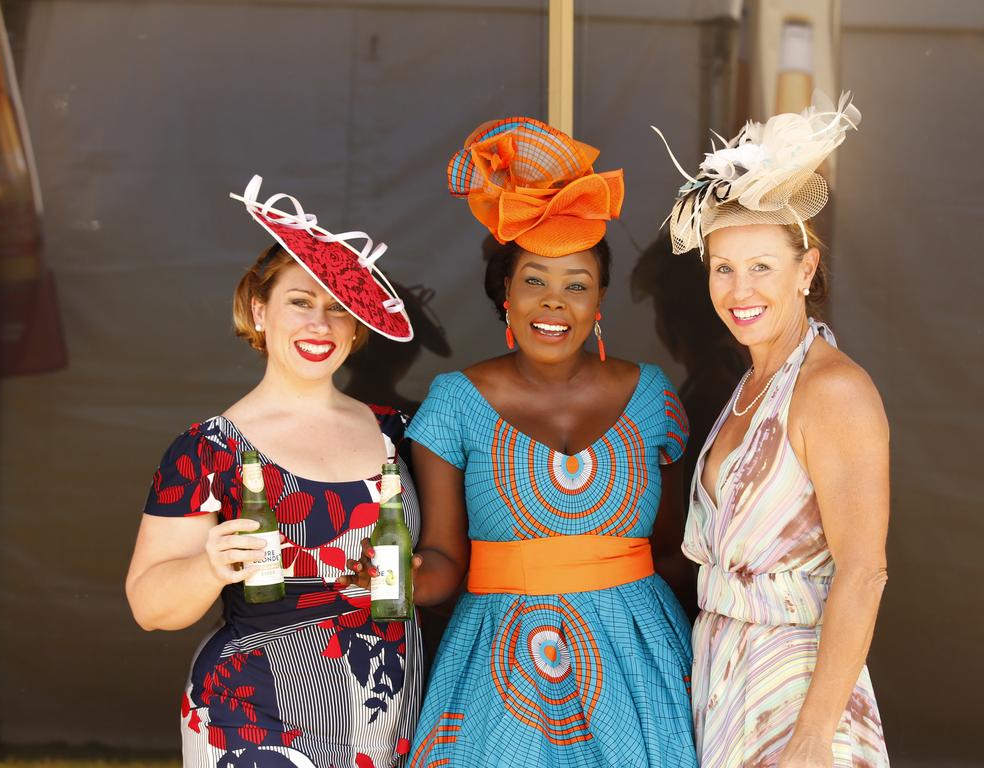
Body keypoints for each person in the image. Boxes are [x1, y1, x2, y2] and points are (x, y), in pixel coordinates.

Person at [346, 117, 697, 766]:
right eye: (534, 280)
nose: (553, 304)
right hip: (500, 664)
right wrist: (396, 577)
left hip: (639, 660)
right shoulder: (454, 404)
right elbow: (444, 559)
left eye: (576, 285)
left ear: (599, 304)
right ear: (504, 293)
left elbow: (673, 552)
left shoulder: (653, 398)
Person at [126, 176, 422, 768]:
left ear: (358, 328)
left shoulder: (402, 433)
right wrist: (210, 565)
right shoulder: (208, 448)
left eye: (339, 309)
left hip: (388, 714)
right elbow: (150, 607)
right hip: (255, 717)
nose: (321, 324)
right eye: (300, 301)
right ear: (260, 311)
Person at [655, 93, 890, 767]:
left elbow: (864, 571)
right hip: (726, 673)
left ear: (805, 271)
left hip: (797, 689)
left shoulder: (832, 388)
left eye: (762, 266)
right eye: (723, 268)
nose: (740, 289)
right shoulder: (750, 385)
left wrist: (813, 738)